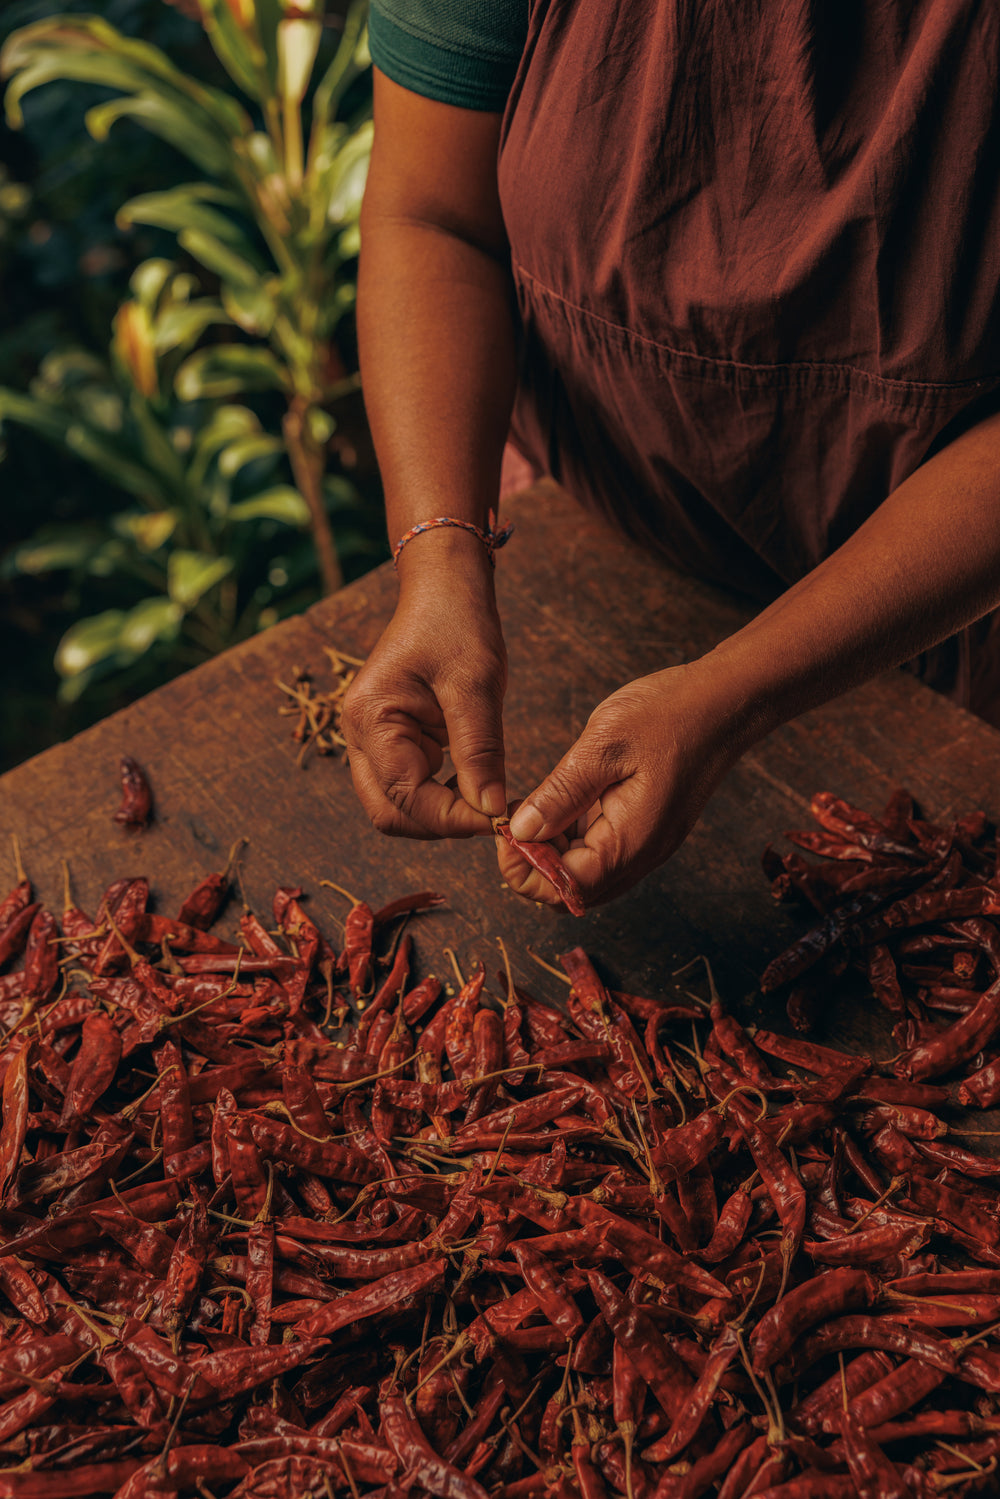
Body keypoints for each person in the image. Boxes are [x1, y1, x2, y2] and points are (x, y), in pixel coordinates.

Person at [342, 1, 1000, 912]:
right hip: (609, 531)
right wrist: (441, 558)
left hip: (956, 618)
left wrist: (729, 698)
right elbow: (432, 216)